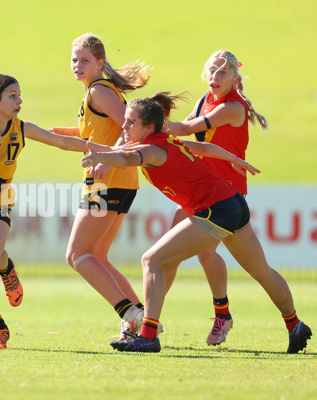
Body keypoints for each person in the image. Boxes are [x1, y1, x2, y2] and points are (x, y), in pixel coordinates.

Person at [80, 92, 312, 353]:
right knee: (262, 272)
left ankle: (147, 335)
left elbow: (126, 159)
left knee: (152, 260)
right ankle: (295, 324)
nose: (124, 126)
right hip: (234, 203)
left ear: (149, 127)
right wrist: (233, 159)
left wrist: (101, 156)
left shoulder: (152, 149)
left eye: (130, 122)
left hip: (216, 210)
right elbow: (202, 148)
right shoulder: (167, 140)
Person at [0, 73, 140, 349]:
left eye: (19, 95)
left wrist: (108, 151)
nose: (19, 101)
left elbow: (62, 142)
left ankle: (6, 268)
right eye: (12, 96)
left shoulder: (20, 128)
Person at [163, 50, 269, 346]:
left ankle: (225, 315)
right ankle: (150, 319)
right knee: (168, 254)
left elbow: (185, 129)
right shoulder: (202, 101)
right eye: (211, 70)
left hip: (226, 194)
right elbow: (179, 135)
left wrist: (147, 123)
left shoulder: (233, 107)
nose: (214, 77)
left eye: (222, 72)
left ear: (235, 77)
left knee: (211, 255)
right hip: (198, 188)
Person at [50, 33, 152, 338]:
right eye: (74, 60)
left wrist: (108, 160)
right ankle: (140, 320)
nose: (77, 65)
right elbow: (101, 131)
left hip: (107, 181)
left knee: (77, 256)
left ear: (100, 62)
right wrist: (53, 134)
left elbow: (131, 128)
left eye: (84, 60)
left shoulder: (98, 91)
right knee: (98, 256)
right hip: (120, 182)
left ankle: (130, 313)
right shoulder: (97, 92)